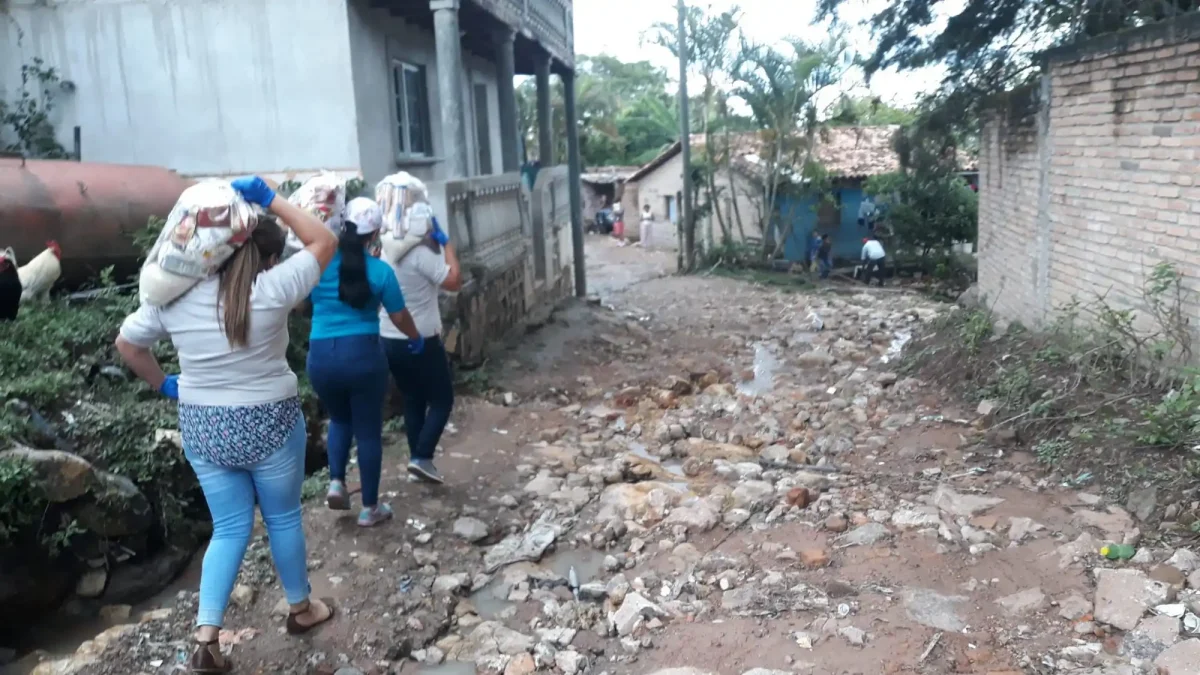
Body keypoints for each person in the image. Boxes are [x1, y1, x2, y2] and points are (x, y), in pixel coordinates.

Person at [115, 176, 338, 673]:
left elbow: (128, 346)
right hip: (270, 420)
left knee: (230, 526)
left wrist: (164, 384)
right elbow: (324, 240)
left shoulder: (170, 296)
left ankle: (206, 636)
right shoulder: (272, 287)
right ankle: (302, 611)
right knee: (281, 519)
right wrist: (269, 199)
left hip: (203, 425)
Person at [307, 197, 422, 527]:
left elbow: (299, 302)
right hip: (364, 357)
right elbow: (399, 316)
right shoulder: (380, 272)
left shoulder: (319, 264)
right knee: (368, 431)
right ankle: (370, 509)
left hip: (321, 357)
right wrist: (415, 338)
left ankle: (335, 482)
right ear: (374, 236)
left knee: (339, 419)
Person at [380, 211, 461, 484]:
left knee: (413, 398)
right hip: (420, 337)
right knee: (442, 399)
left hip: (388, 337)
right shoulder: (420, 256)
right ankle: (422, 456)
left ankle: (418, 462)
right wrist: (447, 244)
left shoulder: (384, 252)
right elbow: (454, 281)